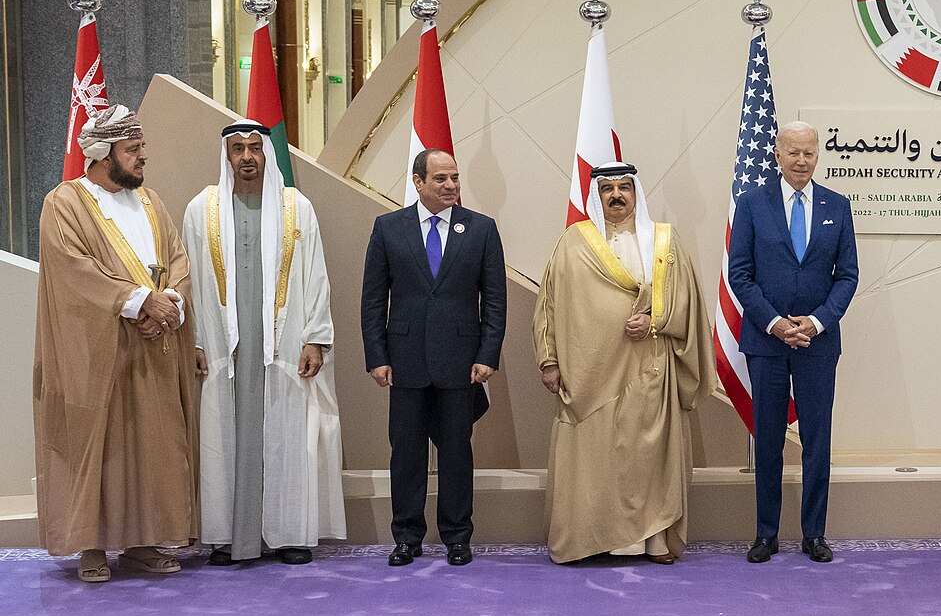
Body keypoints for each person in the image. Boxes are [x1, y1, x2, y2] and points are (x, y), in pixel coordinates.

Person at [32, 104, 198, 582]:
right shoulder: (64, 203)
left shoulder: (150, 202)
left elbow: (178, 258)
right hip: (95, 351)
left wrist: (168, 304)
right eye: (133, 149)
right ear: (104, 155)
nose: (144, 156)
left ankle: (146, 543)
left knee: (153, 444)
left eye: (141, 146)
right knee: (99, 445)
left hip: (153, 344)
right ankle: (92, 546)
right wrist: (139, 301)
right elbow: (72, 273)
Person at [534, 162, 716, 563]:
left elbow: (687, 299)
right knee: (595, 459)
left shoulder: (664, 241)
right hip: (588, 374)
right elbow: (548, 305)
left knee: (647, 457)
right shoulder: (573, 242)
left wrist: (656, 320)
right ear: (596, 197)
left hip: (649, 368)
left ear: (637, 194)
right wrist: (549, 361)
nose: (617, 196)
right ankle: (590, 537)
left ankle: (653, 539)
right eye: (607, 190)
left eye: (624, 188)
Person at [182, 120, 344, 566]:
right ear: (227, 156)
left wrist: (315, 337)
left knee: (287, 432)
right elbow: (188, 277)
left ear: (268, 154)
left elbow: (316, 276)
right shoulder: (203, 209)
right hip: (224, 346)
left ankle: (290, 532)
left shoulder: (296, 207)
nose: (248, 157)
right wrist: (193, 340)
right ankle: (227, 536)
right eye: (238, 149)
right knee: (226, 434)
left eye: (255, 148)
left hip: (284, 346)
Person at [360, 148, 507, 566]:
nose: (450, 186)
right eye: (440, 179)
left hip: (461, 363)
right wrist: (377, 356)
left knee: (457, 452)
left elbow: (494, 301)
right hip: (404, 361)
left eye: (455, 178)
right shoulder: (389, 228)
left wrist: (488, 355)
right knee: (406, 454)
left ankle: (457, 537)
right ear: (418, 182)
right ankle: (407, 537)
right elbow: (373, 299)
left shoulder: (481, 230)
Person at [726, 120, 858, 564]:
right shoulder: (751, 204)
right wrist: (776, 324)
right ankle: (766, 534)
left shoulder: (838, 207)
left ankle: (814, 534)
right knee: (768, 440)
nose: (802, 160)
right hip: (767, 344)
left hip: (818, 345)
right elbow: (739, 274)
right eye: (793, 152)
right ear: (777, 155)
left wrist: (816, 323)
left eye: (809, 153)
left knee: (817, 440)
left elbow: (848, 277)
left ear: (818, 155)